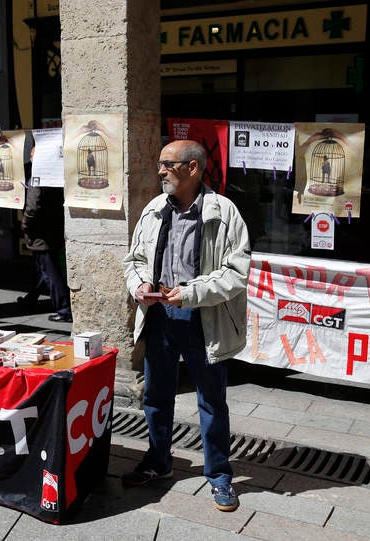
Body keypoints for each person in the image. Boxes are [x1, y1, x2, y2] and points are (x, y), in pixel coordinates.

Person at [121, 139, 251, 512]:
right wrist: (140, 284)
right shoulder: (154, 209)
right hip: (159, 317)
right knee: (155, 397)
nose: (160, 171)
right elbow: (134, 260)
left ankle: (220, 475)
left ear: (192, 168)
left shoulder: (224, 213)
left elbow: (235, 274)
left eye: (167, 164)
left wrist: (191, 294)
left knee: (211, 401)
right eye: (160, 164)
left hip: (202, 319)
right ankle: (158, 462)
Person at [20, 182, 73, 323]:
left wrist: (25, 223)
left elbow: (32, 206)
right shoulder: (54, 175)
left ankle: (64, 310)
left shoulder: (38, 177)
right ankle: (30, 300)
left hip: (41, 231)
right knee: (45, 269)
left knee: (49, 271)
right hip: (55, 227)